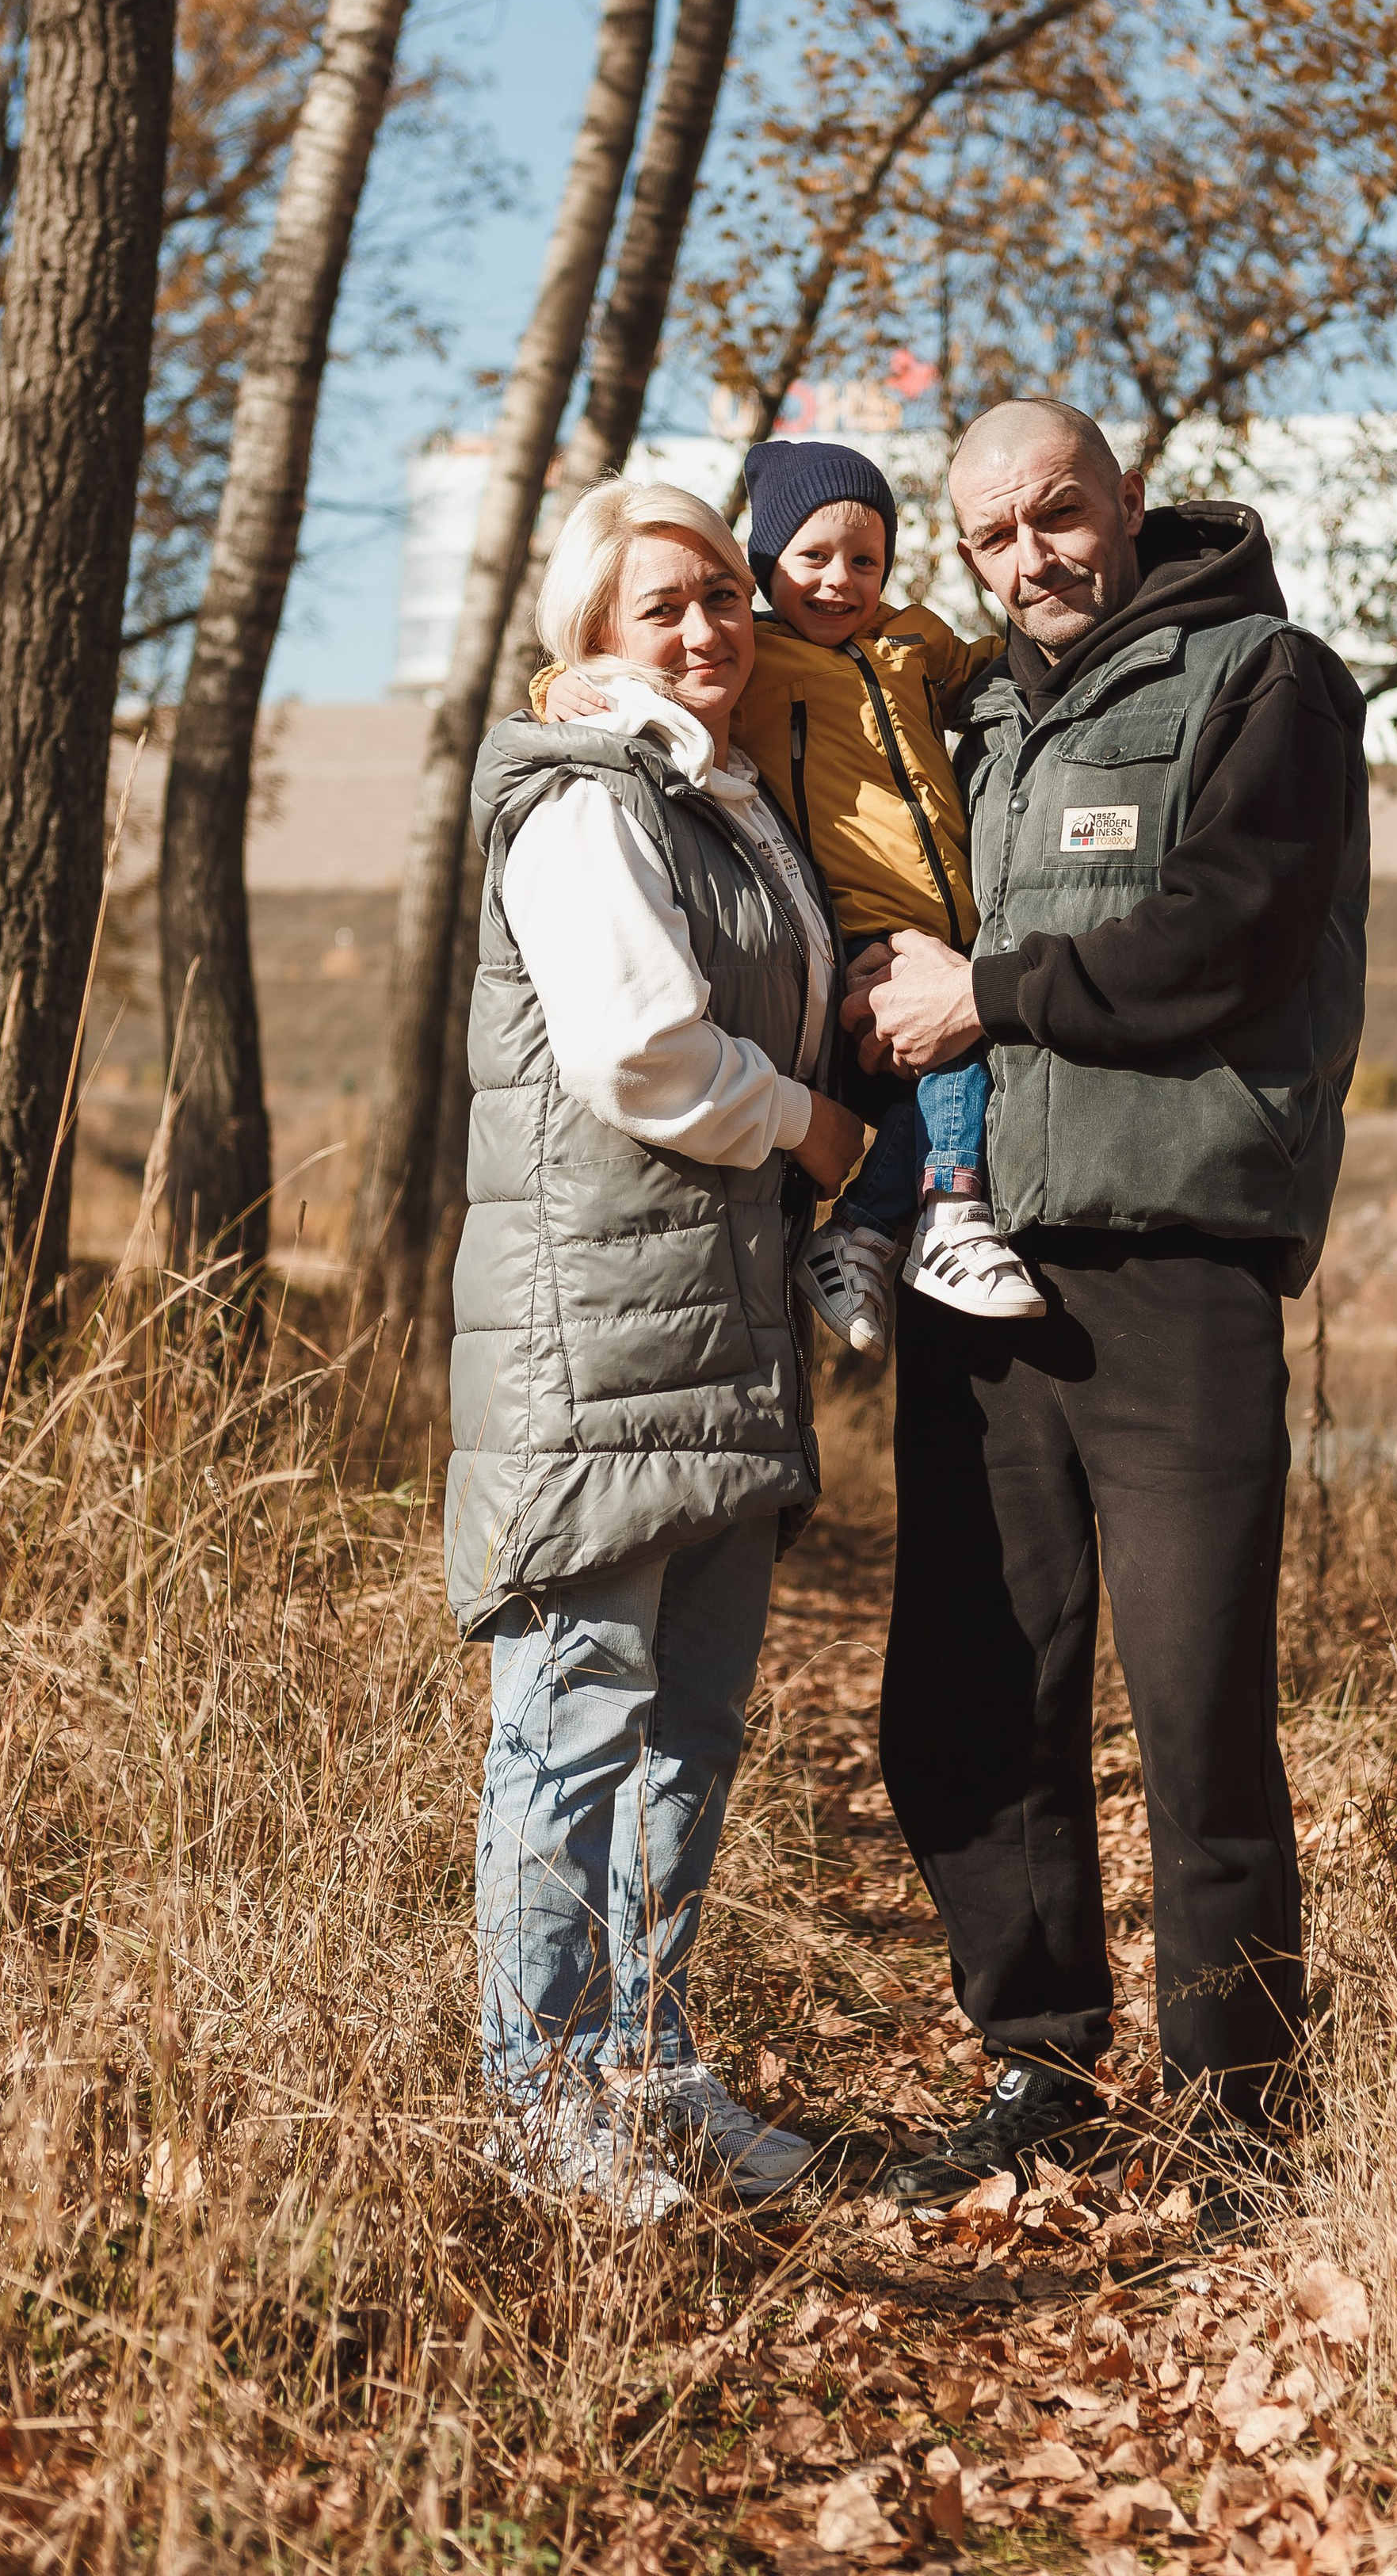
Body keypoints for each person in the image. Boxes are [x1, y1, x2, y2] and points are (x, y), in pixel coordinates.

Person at [843, 398, 1369, 2205]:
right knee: (975, 1692)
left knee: (1196, 1703)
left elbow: (1231, 930)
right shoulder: (968, 715)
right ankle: (1040, 2072)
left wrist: (990, 993)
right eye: (987, 536)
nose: (1026, 559)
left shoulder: (1262, 678)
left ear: (1124, 500)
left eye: (1053, 516)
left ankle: (1235, 2127)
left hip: (1171, 1273)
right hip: (970, 1274)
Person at [448, 477, 865, 2227]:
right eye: (659, 609)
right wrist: (813, 1132)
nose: (705, 631)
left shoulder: (720, 799)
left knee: (689, 1733)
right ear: (591, 637)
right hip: (593, 1348)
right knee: (574, 1724)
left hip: (711, 1335)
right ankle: (531, 2103)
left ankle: (651, 2070)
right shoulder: (584, 803)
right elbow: (638, 1056)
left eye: (719, 597)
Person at [543, 437, 1043, 1353]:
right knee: (950, 1065)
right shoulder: (756, 654)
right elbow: (626, 669)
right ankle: (949, 1215)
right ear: (768, 565)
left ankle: (862, 1232)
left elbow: (995, 669)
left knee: (921, 1093)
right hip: (857, 915)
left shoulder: (911, 642)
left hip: (945, 919)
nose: (839, 582)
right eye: (811, 558)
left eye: (865, 561)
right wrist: (563, 681)